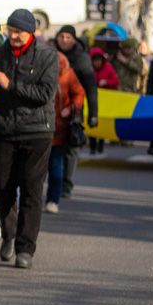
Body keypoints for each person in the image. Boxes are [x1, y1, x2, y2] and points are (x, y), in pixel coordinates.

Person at [0, 8, 58, 270]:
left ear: (31, 32)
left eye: (18, 32)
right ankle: (9, 234)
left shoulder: (47, 56)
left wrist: (9, 85)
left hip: (37, 130)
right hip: (5, 129)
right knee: (1, 185)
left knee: (31, 189)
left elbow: (45, 93)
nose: (13, 36)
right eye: (11, 31)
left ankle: (25, 248)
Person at [53, 25, 98, 197]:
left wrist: (93, 113)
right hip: (53, 109)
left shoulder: (82, 58)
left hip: (74, 109)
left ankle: (67, 183)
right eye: (62, 36)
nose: (64, 40)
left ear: (73, 39)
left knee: (71, 147)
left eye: (68, 37)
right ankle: (55, 182)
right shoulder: (50, 54)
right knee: (53, 148)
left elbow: (90, 88)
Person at [47, 54, 86, 213]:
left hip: (60, 129)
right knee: (36, 170)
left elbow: (79, 93)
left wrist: (70, 109)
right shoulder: (39, 71)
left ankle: (52, 200)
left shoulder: (67, 74)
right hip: (40, 127)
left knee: (56, 166)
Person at [89, 47, 118, 156]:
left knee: (102, 122)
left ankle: (100, 145)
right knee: (92, 120)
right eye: (95, 60)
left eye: (99, 60)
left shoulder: (108, 68)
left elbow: (115, 81)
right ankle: (92, 146)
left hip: (105, 101)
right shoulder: (89, 69)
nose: (97, 63)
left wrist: (106, 82)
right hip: (92, 99)